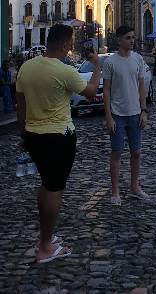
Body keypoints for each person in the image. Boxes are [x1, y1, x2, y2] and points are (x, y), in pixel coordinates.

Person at [15, 23, 101, 264]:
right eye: (71, 43)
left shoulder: (26, 68)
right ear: (65, 45)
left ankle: (45, 237)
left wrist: (24, 135)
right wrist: (97, 66)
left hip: (33, 136)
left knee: (46, 186)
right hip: (58, 137)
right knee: (55, 190)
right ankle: (44, 247)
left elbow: (20, 105)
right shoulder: (64, 71)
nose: (72, 47)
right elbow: (92, 91)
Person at [102, 25, 149, 205]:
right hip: (117, 114)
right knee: (117, 152)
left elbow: (141, 87)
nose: (132, 40)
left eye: (133, 37)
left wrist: (144, 111)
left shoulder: (137, 59)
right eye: (128, 38)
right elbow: (106, 91)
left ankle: (135, 187)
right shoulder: (110, 62)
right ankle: (115, 192)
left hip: (135, 113)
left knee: (136, 152)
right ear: (119, 40)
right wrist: (108, 117)